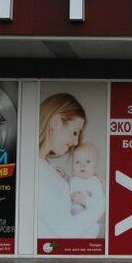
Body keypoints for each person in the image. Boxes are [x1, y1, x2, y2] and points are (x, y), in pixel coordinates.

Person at [37, 93, 101, 239]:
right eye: (74, 132)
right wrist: (104, 203)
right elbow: (67, 231)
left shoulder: (47, 167)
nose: (76, 142)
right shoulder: (35, 170)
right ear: (55, 122)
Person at [69, 142, 105, 237]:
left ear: (95, 166)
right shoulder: (73, 180)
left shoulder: (95, 182)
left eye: (88, 162)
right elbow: (68, 192)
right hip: (72, 218)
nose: (82, 166)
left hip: (89, 218)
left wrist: (84, 202)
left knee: (91, 230)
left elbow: (98, 202)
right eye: (77, 162)